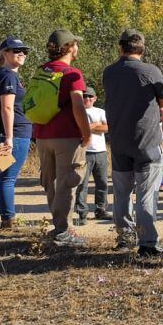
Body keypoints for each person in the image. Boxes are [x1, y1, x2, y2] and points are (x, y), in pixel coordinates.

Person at [101, 29, 163, 256]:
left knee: (121, 193)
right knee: (147, 193)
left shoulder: (109, 72)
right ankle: (148, 243)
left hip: (119, 141)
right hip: (146, 141)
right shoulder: (149, 71)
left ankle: (125, 238)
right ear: (142, 48)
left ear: (120, 48)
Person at [34, 29, 92, 247]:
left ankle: (58, 226)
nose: (78, 48)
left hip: (42, 135)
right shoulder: (71, 73)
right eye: (75, 44)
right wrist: (86, 133)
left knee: (50, 182)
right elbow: (78, 106)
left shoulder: (42, 70)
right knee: (68, 182)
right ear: (69, 47)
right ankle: (63, 231)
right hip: (66, 137)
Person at [0, 37, 33, 229]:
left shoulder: (5, 74)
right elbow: (7, 108)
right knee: (8, 178)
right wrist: (9, 138)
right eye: (16, 51)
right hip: (14, 134)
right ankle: (9, 220)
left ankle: (7, 219)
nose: (22, 54)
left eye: (24, 51)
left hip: (8, 133)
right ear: (4, 54)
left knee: (4, 177)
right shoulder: (8, 76)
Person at [73, 87, 110, 226]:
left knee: (102, 183)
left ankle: (101, 209)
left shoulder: (101, 111)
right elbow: (78, 128)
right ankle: (82, 213)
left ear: (95, 98)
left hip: (100, 152)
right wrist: (96, 125)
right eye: (84, 96)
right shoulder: (76, 111)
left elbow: (107, 128)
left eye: (90, 96)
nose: (87, 99)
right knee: (82, 184)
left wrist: (88, 126)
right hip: (83, 152)